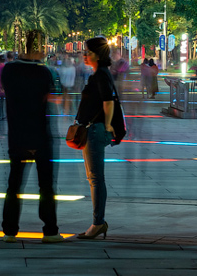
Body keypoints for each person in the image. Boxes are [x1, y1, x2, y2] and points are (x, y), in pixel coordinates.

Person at [0, 31, 61, 243]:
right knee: (45, 186)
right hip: (41, 135)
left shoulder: (8, 71)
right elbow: (48, 99)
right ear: (37, 48)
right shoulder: (45, 73)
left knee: (14, 185)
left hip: (17, 135)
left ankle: (9, 230)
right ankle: (50, 230)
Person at [75, 36, 125, 240]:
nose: (84, 55)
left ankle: (98, 223)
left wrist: (107, 125)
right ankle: (98, 222)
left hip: (95, 131)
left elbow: (109, 101)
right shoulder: (98, 74)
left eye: (87, 51)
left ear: (97, 54)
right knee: (94, 178)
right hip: (92, 129)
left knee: (96, 178)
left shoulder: (101, 75)